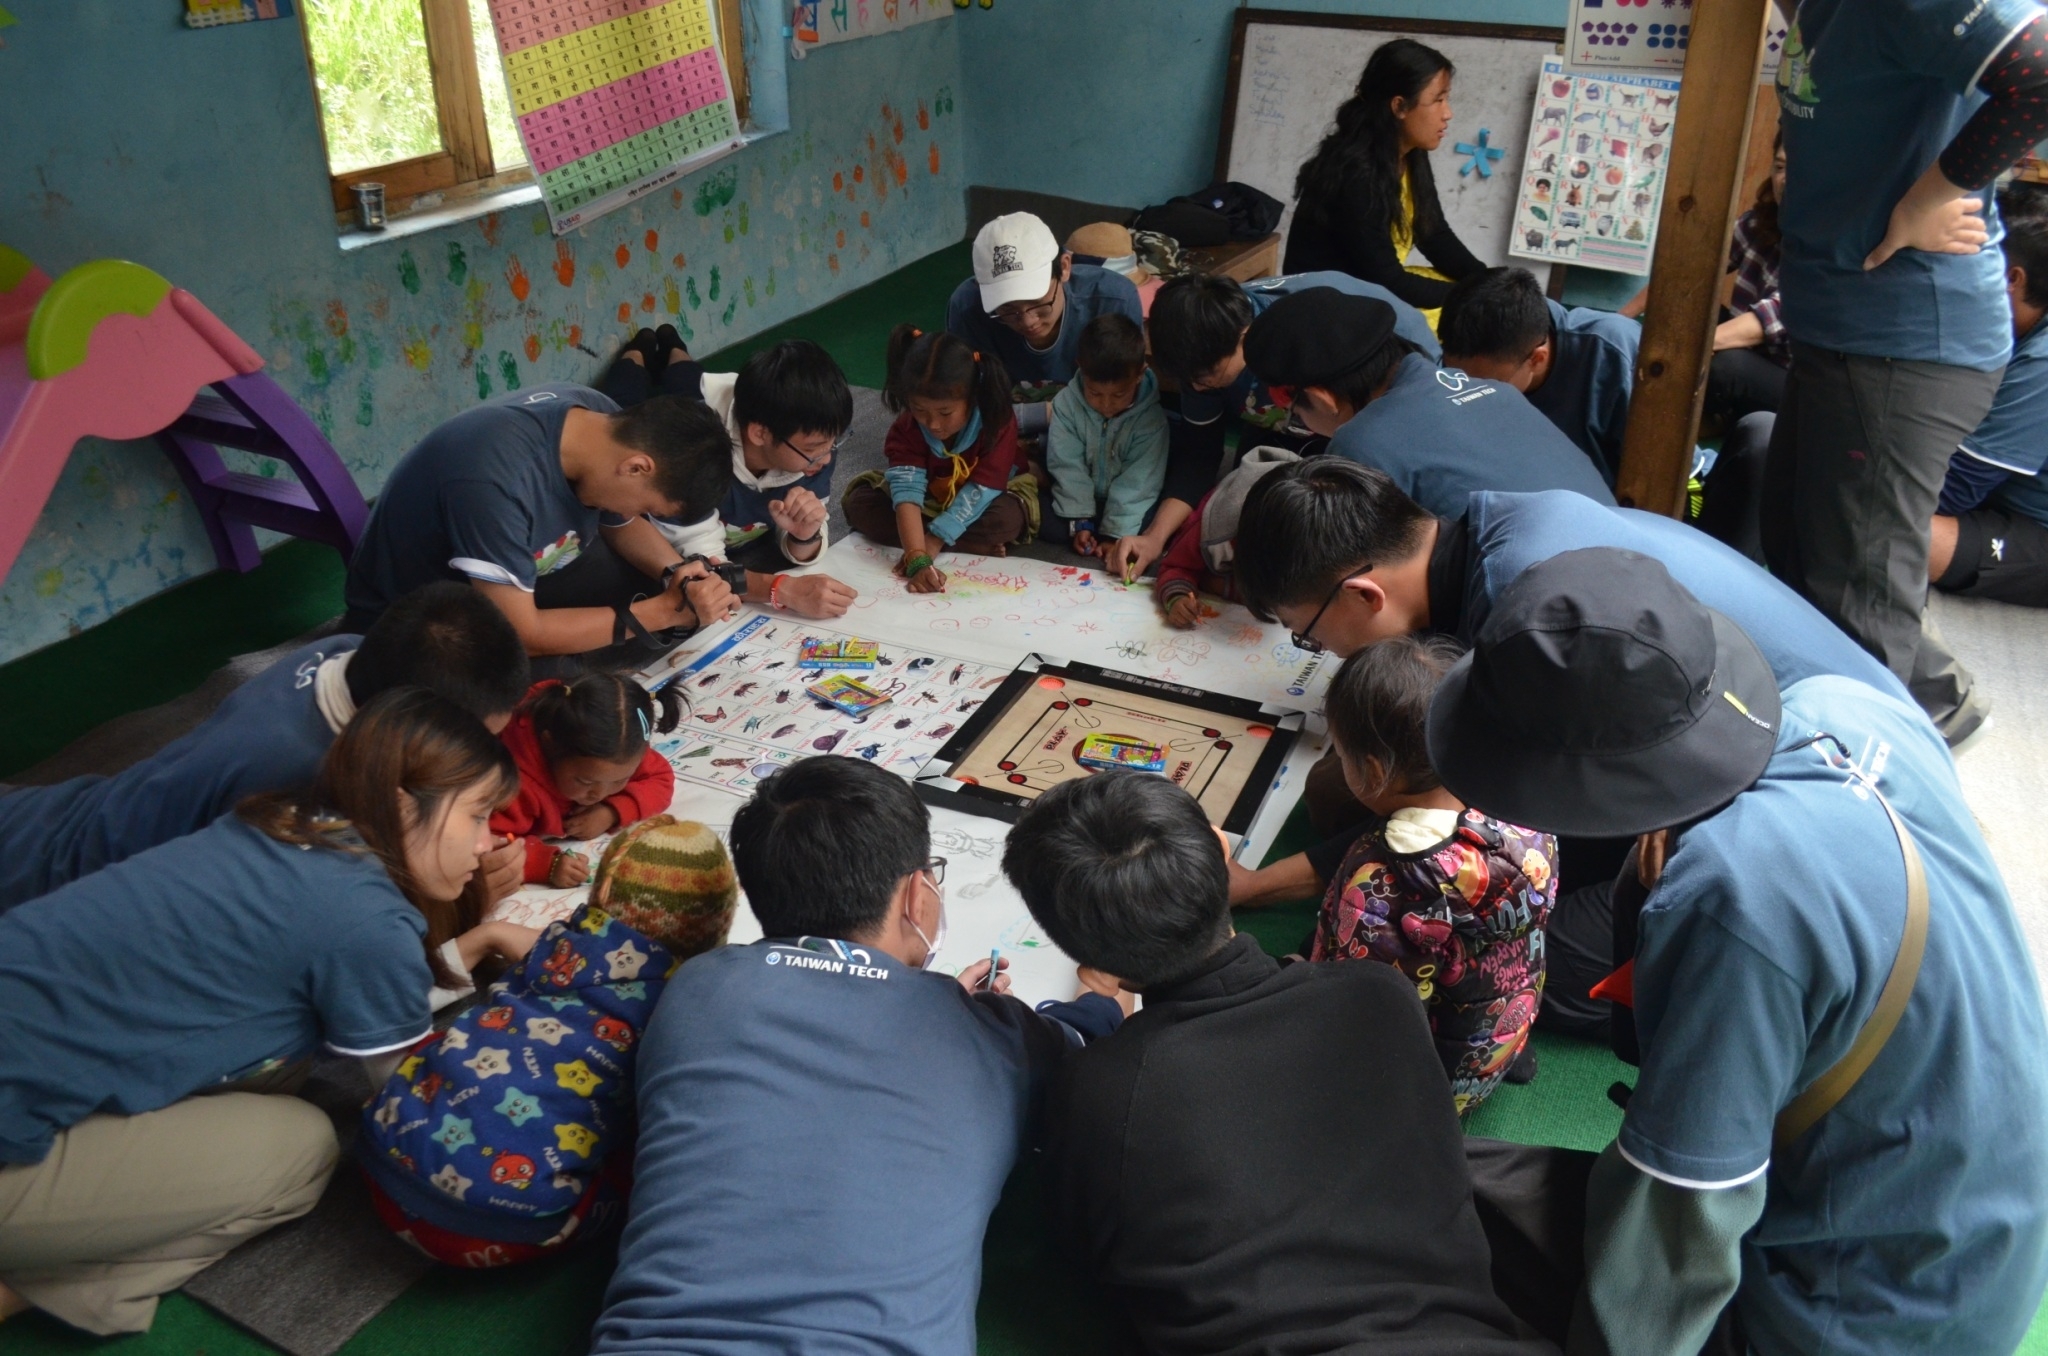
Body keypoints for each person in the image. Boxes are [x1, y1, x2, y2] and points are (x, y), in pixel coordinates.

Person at [1429, 549, 2048, 1355]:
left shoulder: (1733, 896)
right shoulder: (1850, 708)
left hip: (1860, 1315)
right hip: (1973, 1248)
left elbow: (1683, 1211)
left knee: (1434, 1194)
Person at [1228, 459, 1914, 1038]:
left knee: (1501, 955)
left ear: (1361, 594)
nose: (1321, 655)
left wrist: (1259, 886)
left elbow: (1452, 822)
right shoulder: (1498, 524)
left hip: (1823, 795)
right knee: (1344, 796)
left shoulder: (1520, 626)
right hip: (1791, 726)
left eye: (1306, 634)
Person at [0, 688, 535, 1335]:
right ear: (401, 805)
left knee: (285, 1066)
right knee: (301, 1151)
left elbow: (359, 995)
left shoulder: (285, 821)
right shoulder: (365, 920)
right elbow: (412, 1105)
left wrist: (475, 944)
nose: (489, 843)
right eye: (478, 816)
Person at [587, 755, 1126, 1355]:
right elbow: (1086, 1039)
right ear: (918, 894)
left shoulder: (695, 987)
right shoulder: (996, 1038)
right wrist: (1098, 997)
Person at [1004, 771, 1554, 1356]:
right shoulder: (1380, 996)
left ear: (1098, 974)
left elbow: (1084, 1247)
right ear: (1222, 854)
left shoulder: (1099, 1090)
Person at [1762, 0, 2048, 745]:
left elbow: (2043, 73)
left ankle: (1876, 791)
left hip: (1903, 340)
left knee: (1855, 609)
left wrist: (1933, 196)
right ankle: (1939, 699)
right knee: (1803, 555)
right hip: (1845, 329)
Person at [0, 581, 530, 912]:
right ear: (405, 722)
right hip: (51, 890)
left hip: (58, 812)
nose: (478, 762)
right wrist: (465, 897)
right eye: (472, 744)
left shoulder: (346, 654)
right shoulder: (308, 781)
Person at [360, 815, 738, 1269]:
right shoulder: (682, 1007)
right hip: (494, 1228)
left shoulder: (556, 945)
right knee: (655, 1146)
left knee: (466, 1041)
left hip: (381, 1151)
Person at [1304, 637, 1554, 1114]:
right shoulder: (1522, 812)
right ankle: (1504, 1060)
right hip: (1502, 1033)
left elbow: (1372, 1013)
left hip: (1428, 1090)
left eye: (1341, 753)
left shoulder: (1387, 880)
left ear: (1373, 772)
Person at [342, 383, 739, 663]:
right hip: (416, 619)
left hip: (514, 574)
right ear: (637, 467)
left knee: (643, 597)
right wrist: (664, 612)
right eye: (651, 508)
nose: (642, 517)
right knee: (558, 694)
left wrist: (677, 577)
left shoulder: (598, 420)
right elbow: (519, 635)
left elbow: (619, 521)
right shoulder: (493, 482)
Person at [1128, 271, 1438, 581]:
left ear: (1244, 338)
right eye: (1190, 380)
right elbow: (1199, 454)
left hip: (1373, 396)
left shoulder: (1307, 343)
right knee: (1249, 507)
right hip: (1302, 419)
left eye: (1208, 376)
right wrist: (1155, 537)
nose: (1198, 387)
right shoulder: (1201, 346)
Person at [1242, 289, 1616, 516]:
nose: (1302, 423)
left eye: (1295, 412)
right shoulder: (1493, 390)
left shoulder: (1362, 442)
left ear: (1323, 398)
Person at [625, 337, 862, 622]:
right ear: (760, 434)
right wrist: (780, 589)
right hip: (672, 405)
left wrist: (805, 535)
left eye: (832, 443)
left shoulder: (817, 442)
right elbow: (701, 565)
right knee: (633, 393)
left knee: (681, 363)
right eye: (814, 450)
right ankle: (636, 353)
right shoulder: (689, 453)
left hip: (732, 404)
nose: (826, 459)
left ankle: (673, 344)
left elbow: (808, 533)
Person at [1282, 38, 1483, 317]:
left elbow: (1434, 233)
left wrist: (1489, 281)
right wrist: (1477, 297)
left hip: (1373, 288)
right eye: (1438, 100)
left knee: (1470, 297)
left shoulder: (1409, 152)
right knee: (1469, 319)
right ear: (1399, 107)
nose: (1448, 113)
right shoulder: (1356, 174)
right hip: (1328, 309)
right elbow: (1387, 281)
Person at [840, 324, 1035, 588]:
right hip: (930, 499)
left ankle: (931, 536)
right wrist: (917, 556)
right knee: (859, 504)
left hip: (984, 499)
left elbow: (983, 488)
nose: (932, 424)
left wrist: (932, 541)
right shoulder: (908, 427)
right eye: (920, 409)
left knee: (1006, 519)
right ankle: (966, 543)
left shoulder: (996, 421)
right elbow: (907, 492)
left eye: (945, 413)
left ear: (972, 397)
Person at [1931, 190, 2048, 606]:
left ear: (2013, 279)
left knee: (1886, 532)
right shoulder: (2025, 335)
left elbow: (1958, 488)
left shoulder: (2043, 360)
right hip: (2002, 497)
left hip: (2035, 529)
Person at [1437, 266, 1641, 486]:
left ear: (1536, 359)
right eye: (1456, 378)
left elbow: (1650, 482)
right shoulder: (1459, 364)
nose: (1470, 394)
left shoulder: (1615, 355)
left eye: (1487, 387)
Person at [944, 212, 1144, 429]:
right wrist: (1047, 415)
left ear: (1065, 267)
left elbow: (1127, 401)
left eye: (1038, 302)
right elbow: (959, 408)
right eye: (1007, 309)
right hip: (1005, 435)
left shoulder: (1114, 301)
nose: (1028, 321)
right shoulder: (967, 309)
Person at [491, 674, 679, 887]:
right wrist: (544, 864)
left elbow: (661, 777)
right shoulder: (514, 787)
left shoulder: (618, 750)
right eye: (586, 782)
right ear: (550, 746)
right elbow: (486, 843)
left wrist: (612, 812)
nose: (599, 794)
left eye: (619, 781)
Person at [1043, 314, 1169, 563]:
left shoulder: (1151, 420)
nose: (1106, 405)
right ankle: (1085, 524)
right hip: (1078, 496)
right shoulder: (1067, 406)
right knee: (1046, 521)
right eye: (1095, 393)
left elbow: (1140, 482)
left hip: (1131, 501)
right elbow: (1067, 465)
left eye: (1119, 394)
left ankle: (1112, 530)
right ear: (1081, 367)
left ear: (1140, 374)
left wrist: (1116, 534)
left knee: (1160, 524)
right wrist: (1080, 520)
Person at [1155, 446, 1300, 628]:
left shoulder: (1310, 536)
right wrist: (1176, 598)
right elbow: (1176, 566)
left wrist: (1217, 585)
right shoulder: (1212, 529)